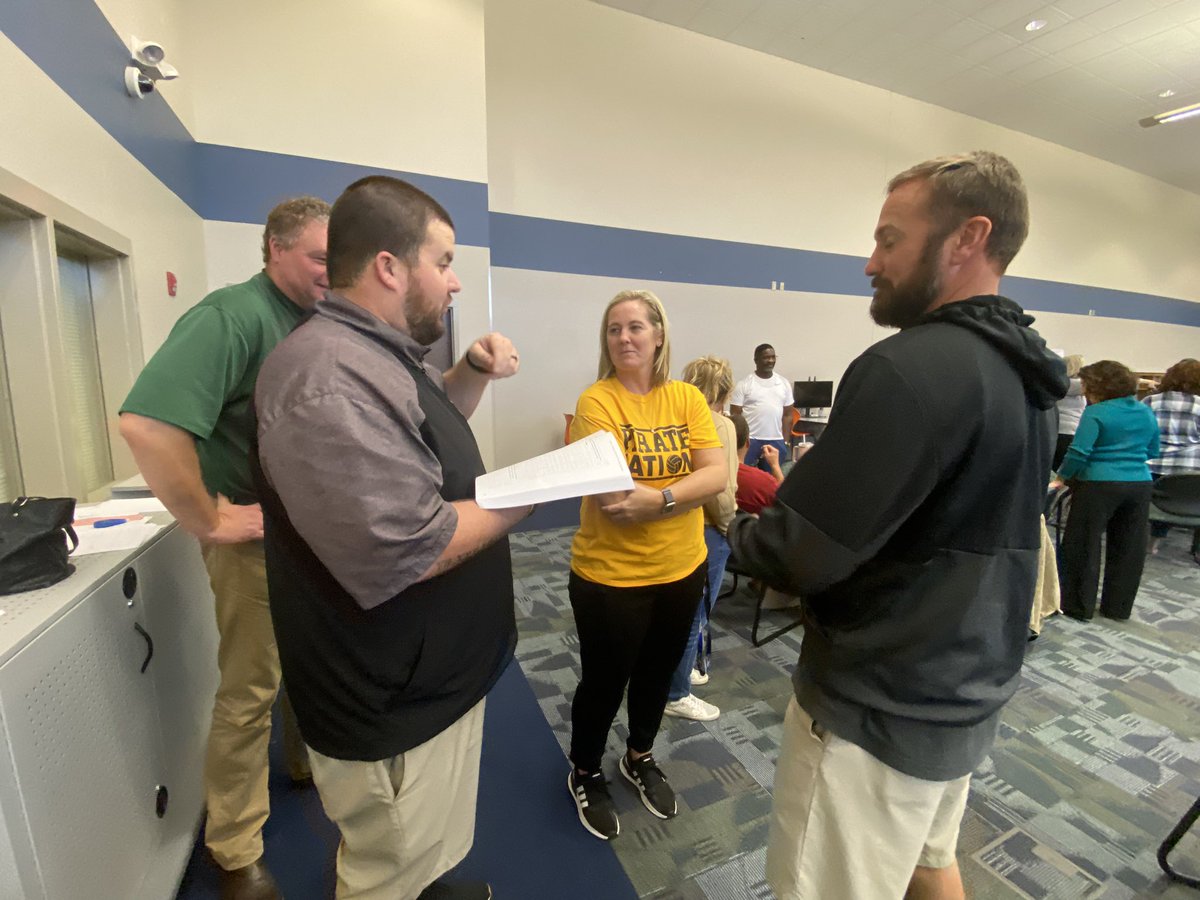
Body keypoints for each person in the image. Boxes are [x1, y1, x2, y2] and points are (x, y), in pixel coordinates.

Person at [727, 151, 1068, 900]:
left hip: (877, 706)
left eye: (889, 239)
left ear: (966, 238)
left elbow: (796, 554)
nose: (869, 262)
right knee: (929, 863)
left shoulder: (907, 369)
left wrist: (728, 527)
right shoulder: (1031, 374)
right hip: (966, 685)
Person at [252, 176, 528, 900]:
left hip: (426, 674)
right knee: (387, 867)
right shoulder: (327, 378)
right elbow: (414, 547)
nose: (456, 281)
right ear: (388, 267)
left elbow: (430, 440)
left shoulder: (380, 352)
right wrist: (534, 493)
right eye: (444, 261)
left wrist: (467, 373)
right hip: (387, 696)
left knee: (419, 848)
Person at [119, 196, 331, 900]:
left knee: (308, 663)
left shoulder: (314, 321)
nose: (333, 271)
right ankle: (234, 846)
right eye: (319, 258)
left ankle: (303, 767)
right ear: (274, 248)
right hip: (254, 544)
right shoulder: (233, 316)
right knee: (251, 688)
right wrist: (208, 517)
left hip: (311, 536)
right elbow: (148, 424)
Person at [566, 289, 725, 840]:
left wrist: (657, 499)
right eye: (614, 329)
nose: (625, 337)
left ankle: (638, 755)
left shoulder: (685, 398)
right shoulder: (597, 402)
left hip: (683, 570)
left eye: (636, 326)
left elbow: (716, 475)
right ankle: (584, 769)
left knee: (656, 677)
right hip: (610, 578)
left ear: (659, 335)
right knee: (604, 684)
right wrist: (681, 492)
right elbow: (615, 501)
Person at [663, 356, 738, 722]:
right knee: (694, 616)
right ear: (724, 389)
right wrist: (729, 526)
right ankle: (677, 692)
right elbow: (721, 488)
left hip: (679, 524)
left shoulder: (675, 419)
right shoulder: (720, 425)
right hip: (709, 529)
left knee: (674, 610)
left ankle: (674, 674)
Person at [1055, 361, 1160, 621]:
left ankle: (1078, 606)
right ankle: (1118, 608)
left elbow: (1079, 453)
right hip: (1139, 484)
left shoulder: (1096, 412)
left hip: (1098, 484)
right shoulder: (1145, 410)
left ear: (1098, 386)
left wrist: (1063, 477)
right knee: (1129, 548)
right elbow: (1153, 450)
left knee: (1083, 544)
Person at [1144, 358, 1200, 554]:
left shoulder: (1150, 401)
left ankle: (1151, 540)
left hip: (1151, 469)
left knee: (1159, 500)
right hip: (1189, 473)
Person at [729, 343, 794, 471]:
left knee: (771, 481)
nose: (770, 361)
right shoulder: (744, 384)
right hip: (750, 440)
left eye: (773, 357)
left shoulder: (783, 384)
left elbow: (788, 415)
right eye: (766, 358)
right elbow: (735, 416)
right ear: (756, 360)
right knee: (745, 477)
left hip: (775, 440)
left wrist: (785, 442)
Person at [732, 412, 784, 515]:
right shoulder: (764, 482)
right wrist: (775, 466)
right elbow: (786, 503)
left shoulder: (706, 475)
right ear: (748, 443)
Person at [1053, 354, 1086, 472]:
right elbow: (1099, 385)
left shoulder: (1058, 383)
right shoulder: (1075, 384)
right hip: (1069, 431)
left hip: (1055, 430)